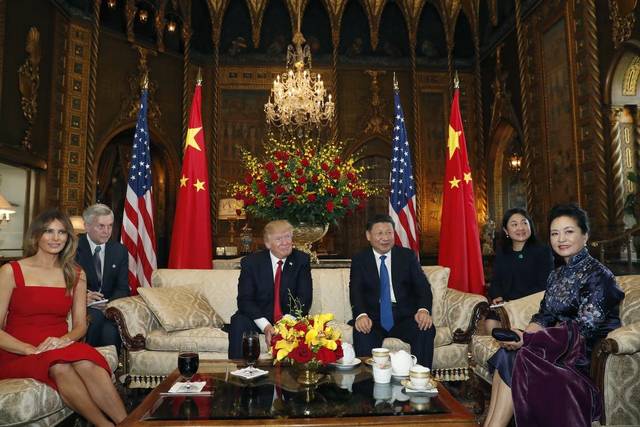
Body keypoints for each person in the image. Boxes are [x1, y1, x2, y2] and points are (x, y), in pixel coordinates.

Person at [483, 204, 625, 427]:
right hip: (555, 347)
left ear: (585, 235)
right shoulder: (556, 275)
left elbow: (582, 331)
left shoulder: (599, 276)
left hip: (582, 358)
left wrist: (529, 340)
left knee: (520, 359)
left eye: (569, 232)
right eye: (555, 233)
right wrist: (522, 335)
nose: (561, 239)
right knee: (509, 355)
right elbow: (544, 316)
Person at [0, 209, 127, 426]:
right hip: (17, 349)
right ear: (36, 235)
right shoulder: (10, 271)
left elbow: (80, 326)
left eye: (61, 232)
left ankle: (128, 423)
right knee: (60, 366)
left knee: (88, 362)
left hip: (59, 343)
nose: (56, 238)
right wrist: (28, 349)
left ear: (69, 237)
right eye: (49, 231)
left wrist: (64, 340)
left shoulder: (75, 273)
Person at [349, 214, 435, 368]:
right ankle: (367, 387)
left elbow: (423, 287)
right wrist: (361, 315)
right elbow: (356, 291)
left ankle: (420, 380)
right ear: (368, 236)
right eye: (380, 233)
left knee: (425, 329)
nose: (385, 238)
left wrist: (423, 310)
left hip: (404, 317)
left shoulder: (406, 256)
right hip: (373, 318)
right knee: (361, 332)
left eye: (389, 233)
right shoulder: (360, 259)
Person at [228, 220, 313, 359]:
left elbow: (304, 298)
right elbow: (245, 300)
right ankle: (239, 373)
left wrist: (284, 325)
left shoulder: (301, 260)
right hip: (259, 318)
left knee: (307, 326)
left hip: (289, 318)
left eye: (288, 237)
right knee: (238, 321)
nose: (285, 242)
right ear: (268, 244)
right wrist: (266, 326)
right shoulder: (251, 263)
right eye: (279, 239)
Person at [485, 208, 554, 332]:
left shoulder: (542, 251)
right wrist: (497, 295)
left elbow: (544, 285)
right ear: (506, 230)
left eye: (524, 223)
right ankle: (507, 350)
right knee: (490, 324)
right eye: (514, 224)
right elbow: (496, 280)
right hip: (507, 303)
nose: (520, 228)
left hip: (533, 304)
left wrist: (514, 301)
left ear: (530, 226)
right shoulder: (502, 252)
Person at [75, 203, 129, 351]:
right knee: (97, 318)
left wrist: (108, 305)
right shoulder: (72, 248)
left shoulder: (119, 251)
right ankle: (84, 360)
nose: (107, 231)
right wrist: (82, 297)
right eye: (101, 226)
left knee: (110, 331)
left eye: (110, 226)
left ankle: (106, 370)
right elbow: (61, 282)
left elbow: (123, 288)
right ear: (87, 226)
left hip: (109, 308)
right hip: (82, 307)